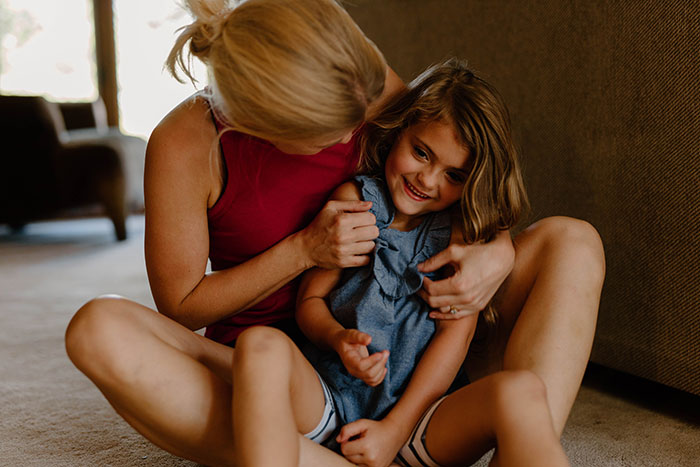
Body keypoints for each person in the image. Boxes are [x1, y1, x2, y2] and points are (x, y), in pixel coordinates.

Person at [64, 0, 604, 465]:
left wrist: (498, 247)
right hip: (281, 374)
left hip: (414, 347)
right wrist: (303, 250)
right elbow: (181, 306)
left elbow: (466, 167)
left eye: (359, 114)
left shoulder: (352, 77)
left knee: (573, 242)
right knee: (98, 328)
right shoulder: (184, 145)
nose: (359, 130)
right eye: (334, 130)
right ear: (264, 122)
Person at [231, 59, 570, 467]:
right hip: (330, 397)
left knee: (523, 393)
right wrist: (337, 339)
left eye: (454, 175)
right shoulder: (355, 201)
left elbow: (453, 342)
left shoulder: (463, 238)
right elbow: (310, 302)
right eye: (421, 153)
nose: (427, 180)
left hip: (420, 421)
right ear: (399, 131)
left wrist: (395, 430)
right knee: (258, 344)